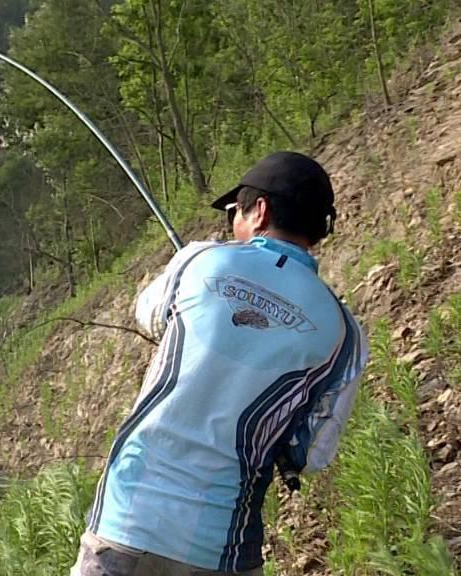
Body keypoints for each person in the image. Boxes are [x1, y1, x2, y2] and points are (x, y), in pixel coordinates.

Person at [71, 151, 369, 576]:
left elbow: (149, 314)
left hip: (126, 520)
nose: (232, 224)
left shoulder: (199, 259)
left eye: (234, 212)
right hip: (224, 547)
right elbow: (312, 454)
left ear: (260, 210)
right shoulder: (345, 333)